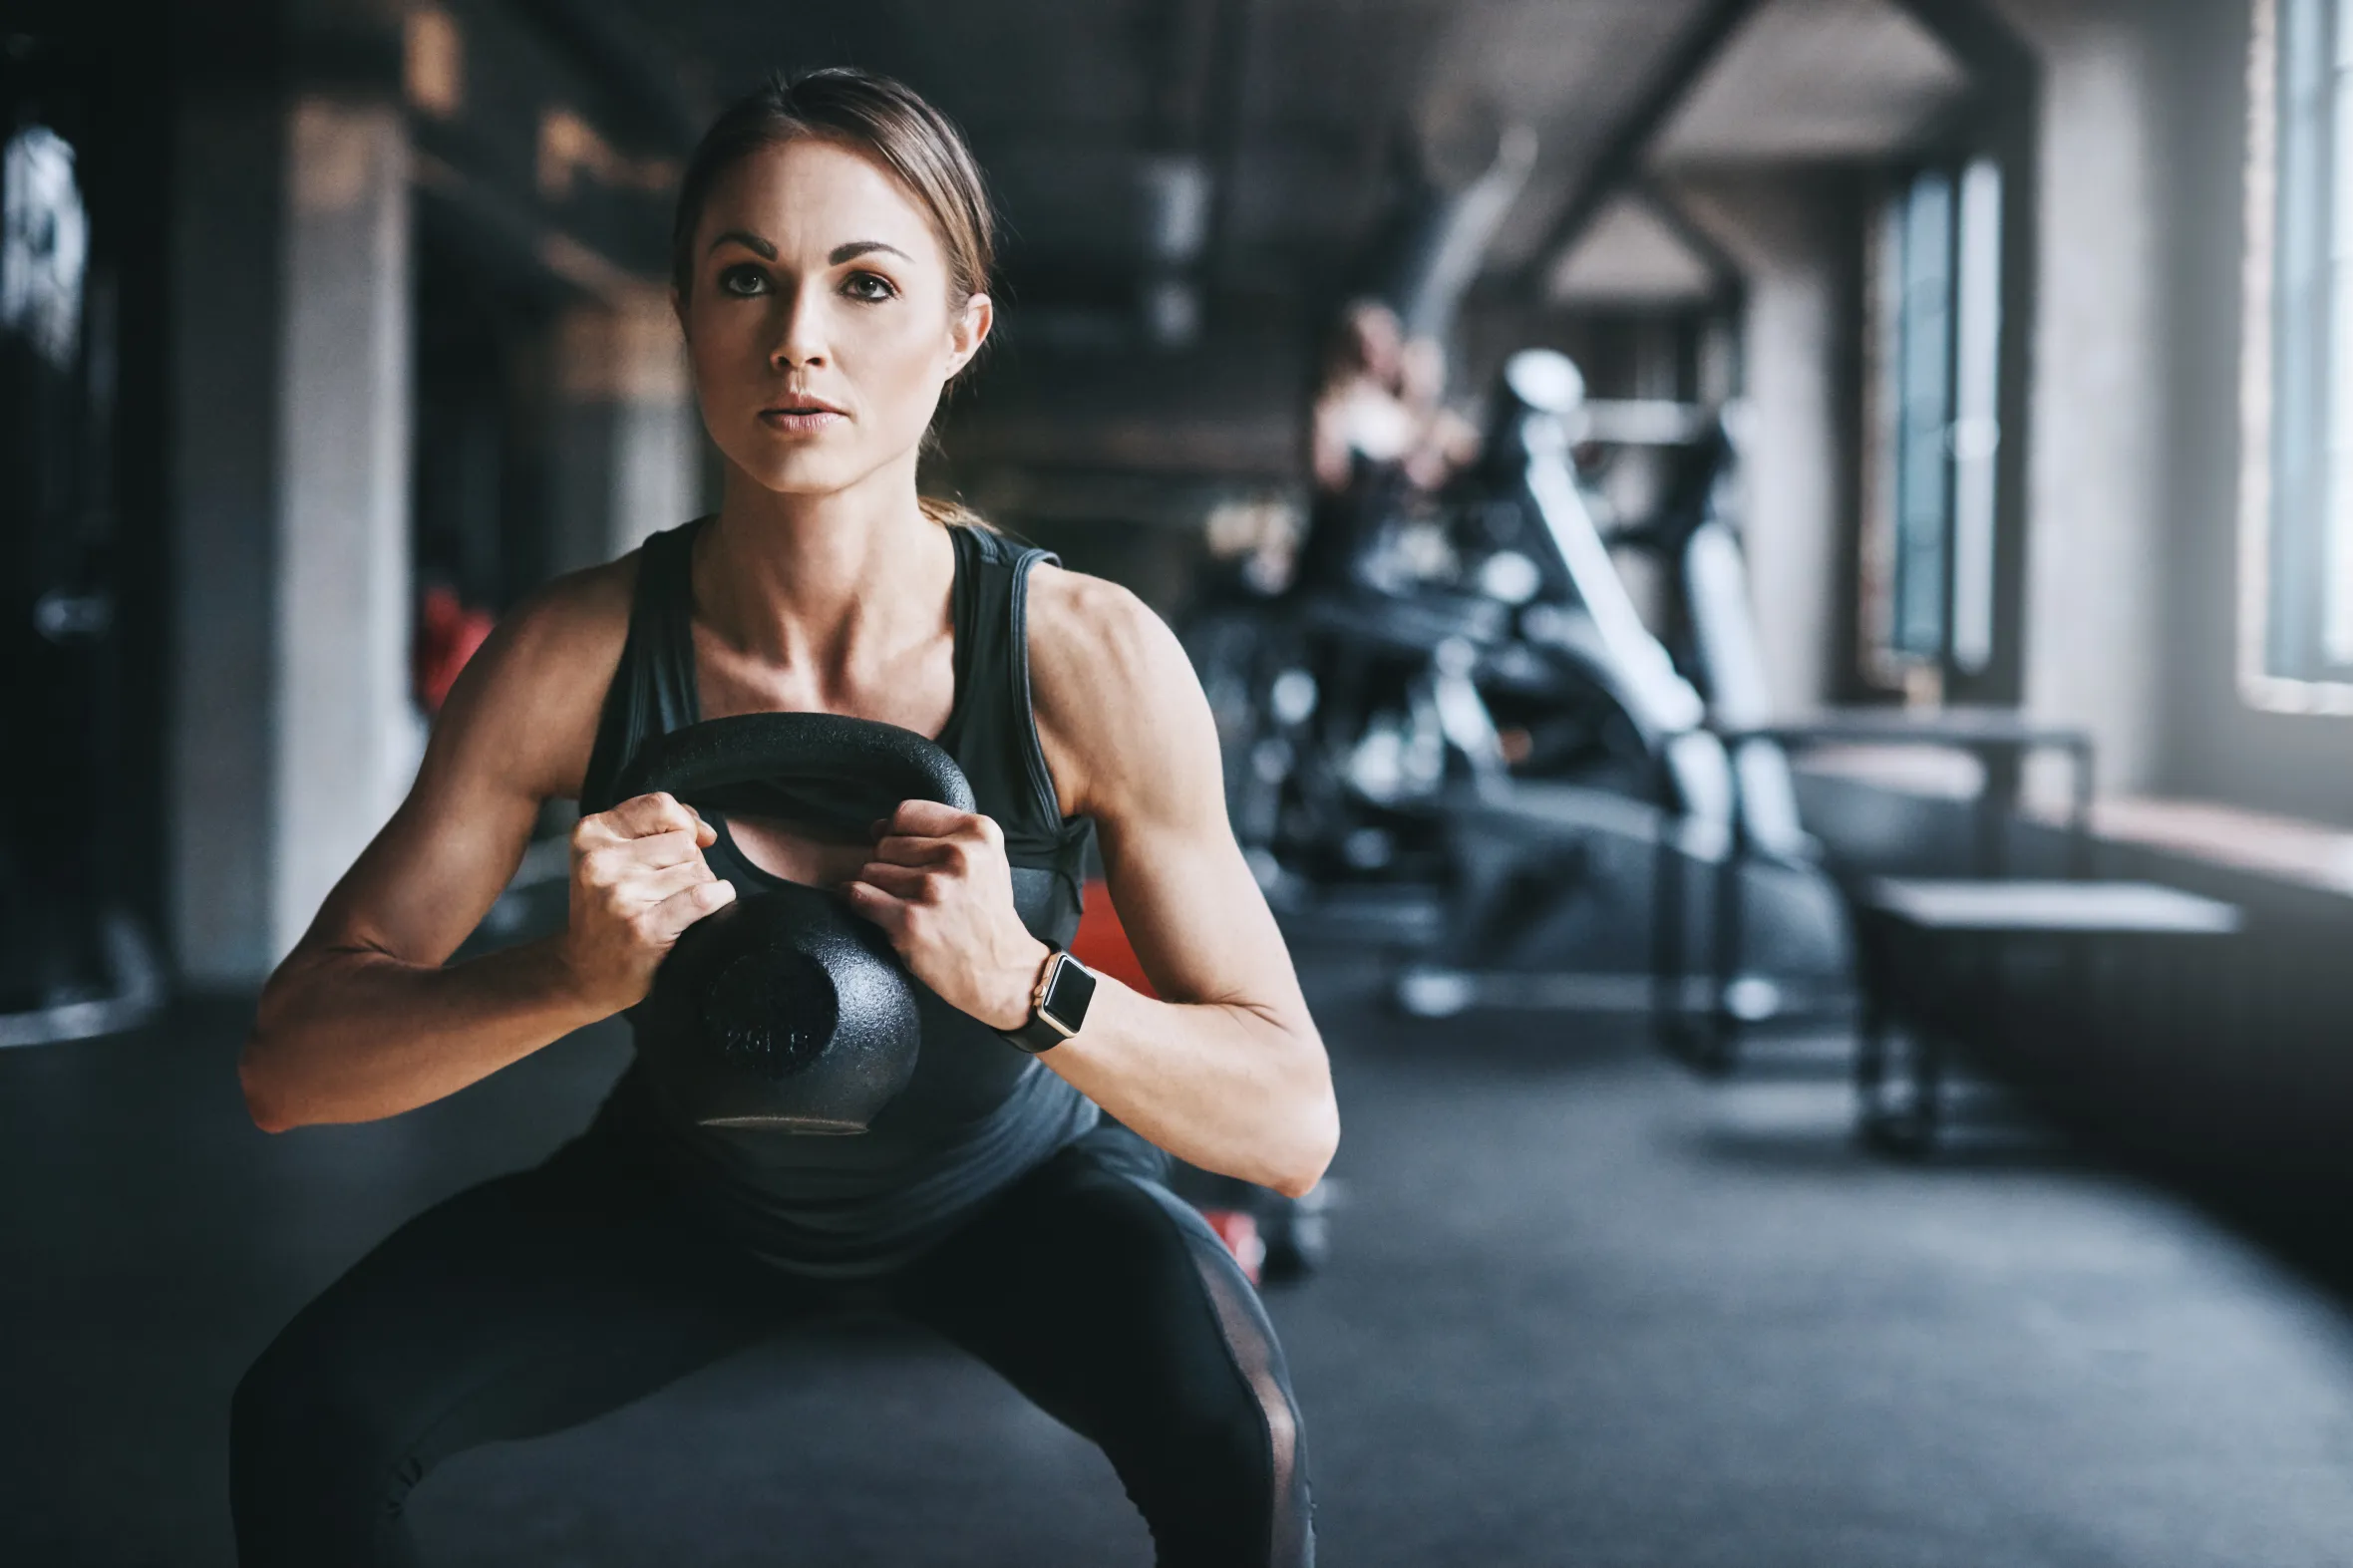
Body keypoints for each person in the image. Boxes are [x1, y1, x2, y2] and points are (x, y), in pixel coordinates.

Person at [229, 68, 1335, 1567]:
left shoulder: (1087, 658)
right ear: (689, 318)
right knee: (311, 1415)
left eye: (865, 283)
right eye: (744, 278)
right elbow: (291, 1066)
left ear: (962, 330)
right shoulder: (576, 655)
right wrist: (564, 975)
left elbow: (1290, 1126)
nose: (797, 339)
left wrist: (1027, 983)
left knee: (1238, 1437)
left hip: (1015, 1193)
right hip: (684, 1194)